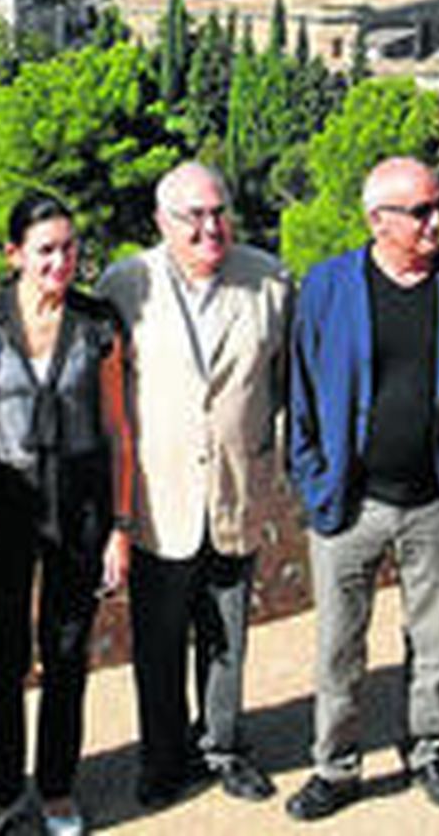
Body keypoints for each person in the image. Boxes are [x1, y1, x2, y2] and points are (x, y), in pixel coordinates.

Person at [285, 157, 439, 821]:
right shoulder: (327, 285)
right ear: (377, 220)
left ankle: (428, 752)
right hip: (348, 502)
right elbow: (299, 391)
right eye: (421, 212)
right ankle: (335, 768)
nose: (437, 221)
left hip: (433, 501)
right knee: (338, 649)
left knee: (433, 643)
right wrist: (314, 481)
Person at [0, 192, 135, 836]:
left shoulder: (98, 322)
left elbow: (116, 429)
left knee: (67, 653)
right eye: (46, 250)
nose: (60, 261)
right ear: (14, 254)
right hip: (2, 509)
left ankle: (56, 791)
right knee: (1, 657)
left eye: (69, 248)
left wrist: (120, 527)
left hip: (79, 513)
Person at [96, 162, 291, 809]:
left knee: (227, 635)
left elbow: (285, 384)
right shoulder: (124, 285)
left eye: (218, 211)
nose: (211, 227)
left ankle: (224, 747)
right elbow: (105, 399)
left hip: (236, 491)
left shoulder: (270, 280)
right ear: (162, 222)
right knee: (158, 644)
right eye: (193, 216)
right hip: (159, 501)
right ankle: (162, 759)